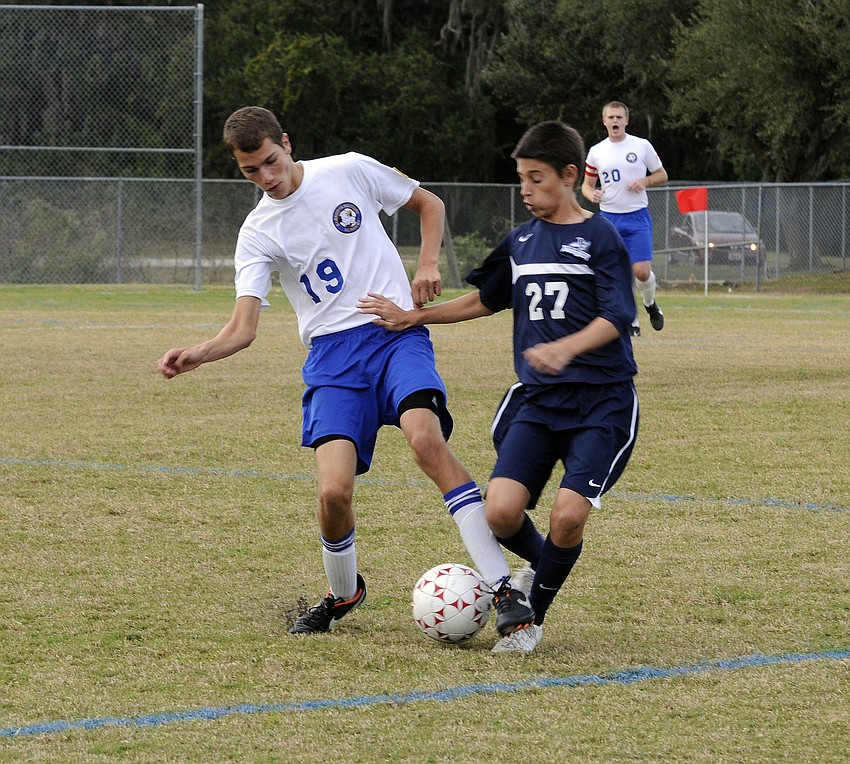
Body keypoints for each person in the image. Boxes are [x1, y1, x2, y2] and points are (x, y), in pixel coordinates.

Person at [155, 106, 533, 640]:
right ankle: (343, 592)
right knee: (333, 494)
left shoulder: (349, 169)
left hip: (394, 334)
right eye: (250, 171)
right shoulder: (257, 232)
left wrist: (427, 264)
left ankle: (503, 589)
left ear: (286, 143)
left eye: (271, 161)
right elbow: (243, 327)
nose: (267, 177)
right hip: (332, 359)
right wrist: (200, 351)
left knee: (424, 441)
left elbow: (428, 203)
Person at [358, 121, 639, 654]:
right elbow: (486, 299)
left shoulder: (600, 237)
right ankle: (548, 567)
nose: (527, 191)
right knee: (501, 512)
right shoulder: (522, 240)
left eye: (537, 180)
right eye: (521, 180)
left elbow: (616, 317)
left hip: (601, 403)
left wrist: (566, 347)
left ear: (569, 176)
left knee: (568, 514)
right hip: (537, 403)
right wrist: (415, 317)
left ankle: (531, 615)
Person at [581, 101, 667, 336]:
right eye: (611, 117)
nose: (615, 121)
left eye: (619, 117)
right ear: (604, 121)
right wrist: (593, 195)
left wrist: (645, 181)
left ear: (626, 121)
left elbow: (661, 174)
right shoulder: (597, 151)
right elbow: (586, 186)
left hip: (637, 217)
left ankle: (650, 305)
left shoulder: (641, 146)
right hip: (609, 218)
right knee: (618, 272)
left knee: (640, 271)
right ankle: (632, 321)